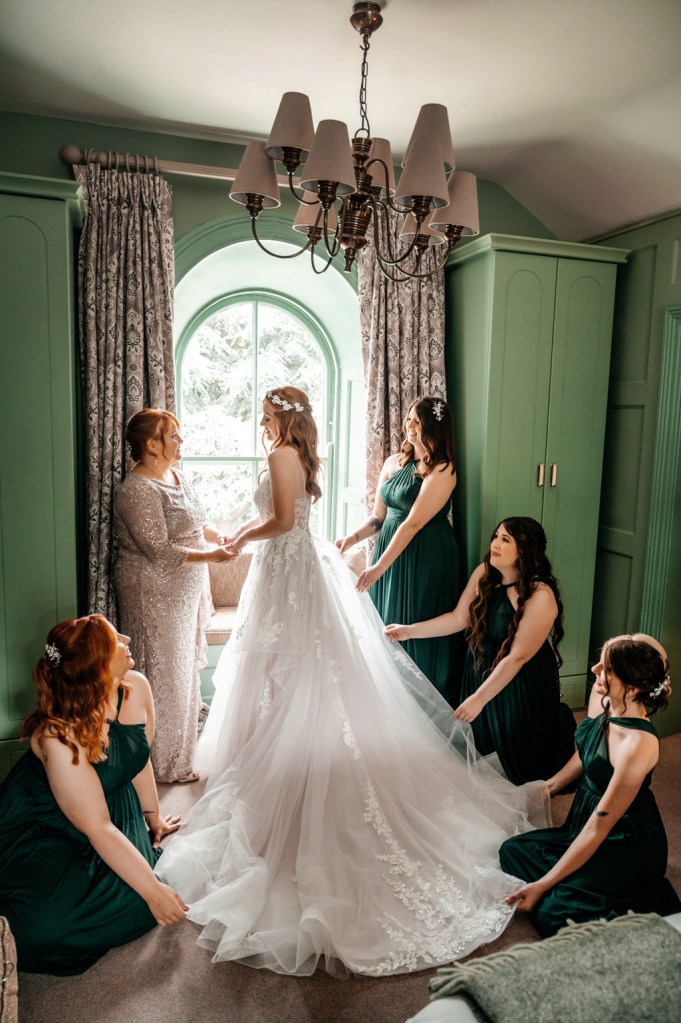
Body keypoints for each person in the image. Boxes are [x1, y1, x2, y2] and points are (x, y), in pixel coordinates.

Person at [156, 386, 551, 979]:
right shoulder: (325, 457)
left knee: (295, 673)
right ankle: (280, 756)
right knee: (292, 672)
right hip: (290, 567)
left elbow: (289, 520)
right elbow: (331, 515)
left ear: (284, 419)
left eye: (265, 414)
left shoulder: (286, 456)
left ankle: (292, 764)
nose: (259, 422)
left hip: (298, 566)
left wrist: (241, 541)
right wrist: (333, 540)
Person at [0, 615, 188, 975]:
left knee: (133, 900)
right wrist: (154, 891)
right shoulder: (56, 736)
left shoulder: (134, 685)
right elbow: (98, 827)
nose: (128, 638)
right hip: (47, 820)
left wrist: (153, 818)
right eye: (117, 639)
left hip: (110, 806)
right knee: (41, 928)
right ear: (100, 666)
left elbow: (136, 757)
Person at [500, 634, 681, 936]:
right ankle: (570, 879)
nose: (596, 669)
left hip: (623, 838)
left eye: (606, 668)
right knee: (513, 850)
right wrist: (548, 787)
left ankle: (573, 889)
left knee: (555, 912)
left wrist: (544, 884)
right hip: (584, 819)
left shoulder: (639, 744)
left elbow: (599, 828)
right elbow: (587, 754)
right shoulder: (605, 697)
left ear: (633, 688)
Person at [386, 517, 576, 784]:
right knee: (478, 751)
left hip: (519, 682)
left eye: (505, 540)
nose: (495, 544)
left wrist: (479, 698)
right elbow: (458, 618)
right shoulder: (485, 573)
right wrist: (408, 631)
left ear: (524, 549)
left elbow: (517, 657)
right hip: (481, 669)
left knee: (517, 764)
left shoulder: (540, 594)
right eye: (496, 536)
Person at [114, 408, 234, 783]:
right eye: (174, 435)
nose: (181, 441)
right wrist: (211, 556)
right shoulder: (135, 489)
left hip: (184, 591)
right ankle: (159, 765)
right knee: (162, 672)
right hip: (153, 591)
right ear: (151, 444)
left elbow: (198, 523)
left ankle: (180, 754)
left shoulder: (177, 475)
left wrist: (220, 538)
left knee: (182, 674)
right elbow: (158, 549)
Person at [336, 395, 460, 696]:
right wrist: (351, 539)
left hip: (426, 556)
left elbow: (413, 523)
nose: (410, 427)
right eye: (409, 419)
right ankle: (388, 698)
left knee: (415, 623)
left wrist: (379, 566)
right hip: (390, 552)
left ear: (434, 428)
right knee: (385, 620)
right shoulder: (394, 462)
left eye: (418, 422)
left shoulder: (443, 469)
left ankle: (423, 703)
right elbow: (379, 516)